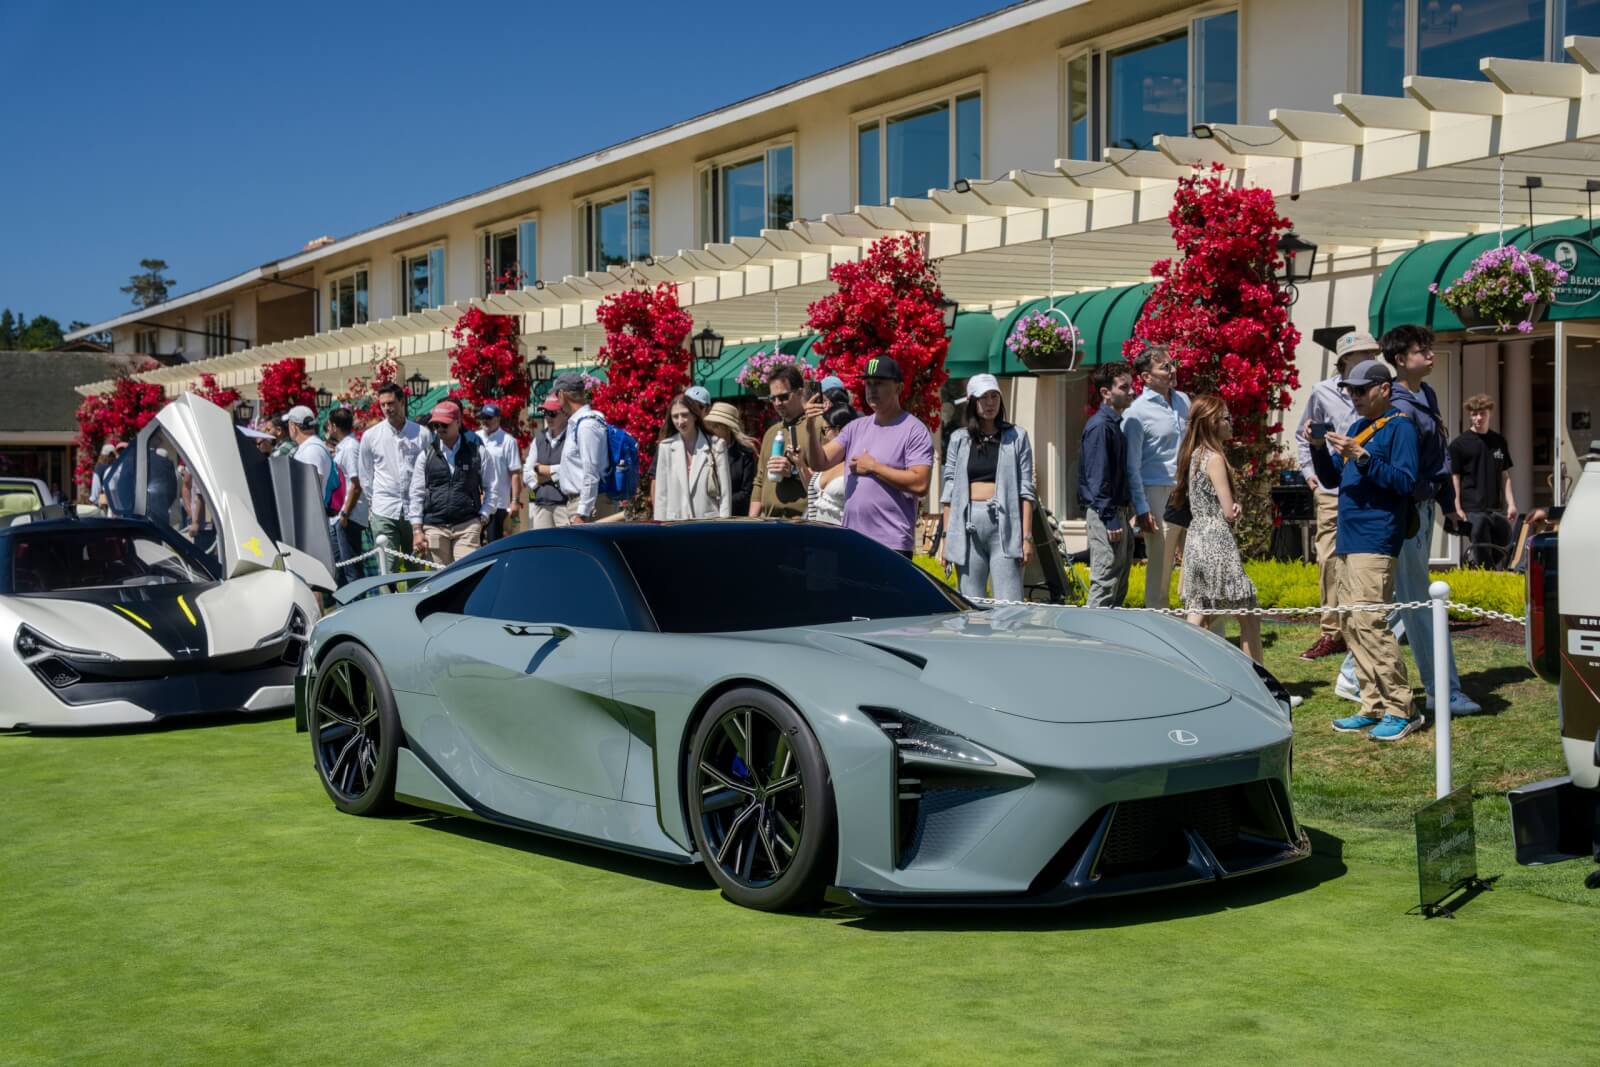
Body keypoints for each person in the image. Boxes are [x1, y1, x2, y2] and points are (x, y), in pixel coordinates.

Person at [1333, 325, 1481, 716]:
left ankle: (1355, 673)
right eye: (1422, 350)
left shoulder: (1424, 395)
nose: (1430, 355)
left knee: (1399, 598)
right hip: (1401, 510)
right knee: (1414, 600)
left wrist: (1448, 503)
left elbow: (1438, 457)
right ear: (1400, 360)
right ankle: (1439, 690)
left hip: (1420, 504)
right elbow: (1397, 469)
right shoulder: (1394, 406)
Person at [1307, 358, 1422, 742]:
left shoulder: (1401, 427)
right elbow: (1331, 479)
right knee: (1351, 623)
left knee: (1371, 622)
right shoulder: (1358, 427)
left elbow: (1404, 481)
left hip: (1376, 538)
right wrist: (1319, 448)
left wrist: (1363, 457)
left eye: (1360, 390)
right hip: (1348, 537)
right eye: (1349, 390)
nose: (1353, 396)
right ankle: (1372, 704)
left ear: (1383, 389)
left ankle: (1401, 708)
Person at [1294, 329, 1376, 660]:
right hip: (1331, 487)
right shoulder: (1322, 392)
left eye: (1373, 354)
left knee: (1366, 558)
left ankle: (1364, 624)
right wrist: (1310, 475)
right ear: (1345, 360)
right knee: (1329, 558)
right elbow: (1304, 434)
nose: (1371, 359)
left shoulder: (1379, 390)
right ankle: (1332, 631)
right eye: (1364, 355)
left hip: (1371, 484)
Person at [802, 355, 933, 555]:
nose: (871, 389)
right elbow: (819, 462)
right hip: (852, 538)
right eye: (868, 384)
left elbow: (921, 483)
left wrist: (874, 467)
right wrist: (810, 426)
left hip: (891, 543)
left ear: (898, 388)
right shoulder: (855, 427)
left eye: (879, 383)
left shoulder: (914, 430)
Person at [1174, 396, 1262, 662]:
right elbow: (1227, 512)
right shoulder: (1214, 458)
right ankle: (1262, 684)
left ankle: (1185, 667)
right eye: (1226, 418)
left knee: (1198, 609)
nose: (1230, 423)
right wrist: (1237, 510)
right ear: (1212, 422)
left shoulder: (1193, 455)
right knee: (1247, 614)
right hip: (1216, 539)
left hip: (1196, 537)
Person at [939, 374, 1036, 601]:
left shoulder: (1016, 436)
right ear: (972, 402)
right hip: (967, 524)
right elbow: (949, 492)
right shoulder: (959, 439)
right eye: (983, 398)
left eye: (994, 396)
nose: (990, 403)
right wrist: (946, 539)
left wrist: (1026, 538)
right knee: (971, 603)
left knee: (1009, 604)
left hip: (1005, 524)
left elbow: (1026, 489)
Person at [1123, 345, 1190, 610]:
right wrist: (1141, 507)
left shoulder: (1184, 400)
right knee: (1161, 567)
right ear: (1145, 377)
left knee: (1197, 561)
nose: (1173, 370)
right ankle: (1158, 628)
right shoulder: (1136, 412)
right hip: (1157, 493)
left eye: (1173, 364)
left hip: (1187, 490)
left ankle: (1195, 624)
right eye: (1165, 367)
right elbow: (1132, 465)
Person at [1079, 361, 1136, 608]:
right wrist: (1111, 517)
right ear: (1106, 392)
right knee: (1105, 582)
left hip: (1116, 511)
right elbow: (1097, 477)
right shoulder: (1100, 426)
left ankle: (1109, 639)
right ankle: (1090, 641)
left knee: (1118, 581)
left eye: (1131, 386)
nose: (1131, 391)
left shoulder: (1113, 424)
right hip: (1105, 514)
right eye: (1124, 387)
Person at [407, 400, 491, 565]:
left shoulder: (478, 452)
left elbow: (491, 487)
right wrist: (417, 529)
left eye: (444, 424)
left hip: (467, 525)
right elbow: (416, 493)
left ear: (458, 422)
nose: (440, 429)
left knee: (466, 575)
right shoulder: (426, 455)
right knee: (441, 579)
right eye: (436, 425)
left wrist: (484, 514)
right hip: (434, 526)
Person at [358, 381, 427, 569]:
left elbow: (430, 471)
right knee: (387, 568)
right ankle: (387, 599)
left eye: (391, 403)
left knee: (416, 566)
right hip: (384, 509)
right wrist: (375, 503)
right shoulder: (371, 436)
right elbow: (365, 475)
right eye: (383, 405)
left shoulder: (422, 434)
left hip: (416, 510)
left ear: (402, 402)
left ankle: (416, 599)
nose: (387, 408)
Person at [1449, 394, 1519, 567]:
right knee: (1480, 545)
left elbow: (1505, 475)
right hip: (1472, 507)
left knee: (1504, 539)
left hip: (1495, 507)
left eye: (1482, 413)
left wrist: (1511, 503)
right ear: (1469, 415)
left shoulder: (1499, 441)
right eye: (1474, 414)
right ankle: (1484, 576)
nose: (1478, 418)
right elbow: (1454, 477)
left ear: (1490, 414)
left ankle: (1485, 573)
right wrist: (1456, 507)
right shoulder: (1459, 444)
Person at [550, 372, 618, 524]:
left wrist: (582, 513)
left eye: (556, 395)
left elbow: (590, 473)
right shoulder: (579, 424)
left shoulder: (587, 425)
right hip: (581, 504)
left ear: (562, 394)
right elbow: (579, 467)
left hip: (587, 507)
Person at [653, 393, 732, 520]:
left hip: (708, 524)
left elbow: (725, 493)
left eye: (684, 415)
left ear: (695, 416)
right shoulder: (665, 448)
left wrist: (723, 526)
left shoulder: (717, 446)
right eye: (675, 416)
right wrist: (660, 529)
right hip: (674, 525)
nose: (680, 421)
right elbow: (661, 496)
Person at [750, 366, 815, 519]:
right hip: (769, 521)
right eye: (773, 398)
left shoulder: (815, 426)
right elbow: (760, 480)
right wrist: (751, 520)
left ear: (800, 393)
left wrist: (794, 471)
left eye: (783, 397)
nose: (777, 403)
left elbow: (828, 478)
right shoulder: (771, 433)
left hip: (802, 522)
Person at [327, 407, 369, 586]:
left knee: (352, 570)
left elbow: (356, 483)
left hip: (348, 515)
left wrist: (345, 514)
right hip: (340, 515)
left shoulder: (351, 447)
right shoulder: (344, 446)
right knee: (342, 569)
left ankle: (356, 609)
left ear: (334, 426)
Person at [804, 405, 856, 526]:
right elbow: (813, 501)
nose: (823, 436)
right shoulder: (824, 460)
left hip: (844, 537)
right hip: (818, 537)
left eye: (825, 430)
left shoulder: (856, 463)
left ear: (839, 430)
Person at [523, 395, 570, 529]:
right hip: (542, 504)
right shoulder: (539, 437)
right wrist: (537, 485)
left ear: (565, 414)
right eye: (545, 413)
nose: (548, 417)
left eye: (552, 413)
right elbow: (527, 471)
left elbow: (572, 469)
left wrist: (545, 470)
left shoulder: (572, 437)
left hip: (565, 505)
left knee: (567, 548)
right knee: (543, 547)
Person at [477, 402, 522, 543]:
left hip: (499, 503)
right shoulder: (475, 437)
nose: (485, 421)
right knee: (474, 543)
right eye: (483, 417)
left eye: (489, 418)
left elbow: (515, 473)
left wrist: (515, 501)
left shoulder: (508, 441)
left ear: (498, 419)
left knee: (494, 543)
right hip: (477, 501)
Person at [703, 402, 757, 517]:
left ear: (727, 428)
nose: (711, 430)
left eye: (716, 426)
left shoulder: (745, 455)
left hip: (735, 516)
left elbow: (746, 492)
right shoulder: (704, 451)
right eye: (710, 425)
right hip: (706, 515)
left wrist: (722, 503)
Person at [284, 405, 333, 509]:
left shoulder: (311, 451)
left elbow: (313, 488)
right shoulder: (311, 447)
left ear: (293, 427)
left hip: (311, 517)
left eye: (288, 424)